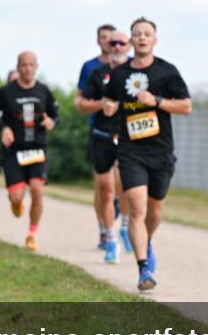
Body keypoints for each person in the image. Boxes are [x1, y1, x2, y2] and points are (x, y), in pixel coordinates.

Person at [103, 17, 192, 290]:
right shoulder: (119, 75)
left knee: (154, 209)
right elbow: (109, 99)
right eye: (137, 34)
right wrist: (108, 106)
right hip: (131, 150)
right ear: (131, 41)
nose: (142, 38)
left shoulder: (167, 72)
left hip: (161, 150)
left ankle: (147, 241)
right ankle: (144, 270)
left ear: (155, 40)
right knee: (137, 206)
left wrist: (158, 101)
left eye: (147, 34)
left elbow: (186, 106)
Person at [0, 51, 59, 251]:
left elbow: (55, 115)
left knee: (37, 190)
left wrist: (51, 122)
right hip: (14, 151)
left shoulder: (44, 91)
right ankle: (16, 201)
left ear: (36, 66)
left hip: (37, 149)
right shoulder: (6, 92)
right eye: (24, 65)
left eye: (31, 64)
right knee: (17, 198)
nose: (28, 68)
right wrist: (4, 128)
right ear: (18, 67)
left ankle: (32, 234)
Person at [77, 29, 134, 263]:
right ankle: (110, 239)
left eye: (122, 42)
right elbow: (81, 103)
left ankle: (125, 225)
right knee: (105, 189)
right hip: (101, 135)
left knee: (128, 187)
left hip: (129, 136)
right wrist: (101, 104)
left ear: (128, 45)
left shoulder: (136, 73)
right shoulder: (96, 72)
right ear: (106, 46)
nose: (117, 46)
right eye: (113, 43)